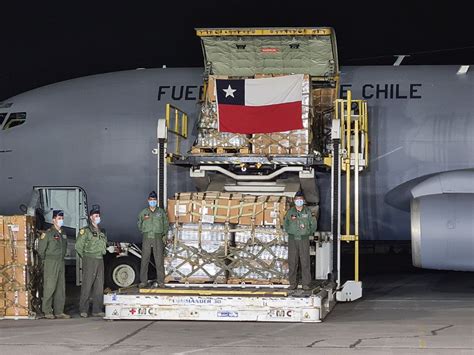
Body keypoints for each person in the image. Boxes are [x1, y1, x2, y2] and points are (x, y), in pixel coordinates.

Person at [75, 205, 107, 318]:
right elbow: (78, 246)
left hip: (99, 259)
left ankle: (97, 309)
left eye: (98, 215)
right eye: (95, 215)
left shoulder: (102, 231)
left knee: (99, 285)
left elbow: (103, 245)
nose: (97, 217)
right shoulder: (86, 231)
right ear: (90, 217)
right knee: (87, 284)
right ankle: (83, 309)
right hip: (90, 259)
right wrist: (85, 257)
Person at [38, 210, 70, 319]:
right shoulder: (47, 233)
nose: (61, 220)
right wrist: (46, 261)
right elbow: (41, 250)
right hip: (51, 262)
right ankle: (47, 311)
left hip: (61, 261)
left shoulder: (63, 233)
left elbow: (65, 247)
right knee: (49, 286)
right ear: (53, 220)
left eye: (62, 218)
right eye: (59, 218)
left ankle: (59, 311)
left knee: (60, 287)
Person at [283, 191, 317, 291]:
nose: (299, 201)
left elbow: (313, 225)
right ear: (294, 201)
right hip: (292, 239)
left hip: (303, 239)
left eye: (300, 200)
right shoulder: (290, 212)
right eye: (297, 200)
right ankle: (293, 283)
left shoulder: (308, 212)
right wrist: (290, 232)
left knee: (305, 262)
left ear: (303, 201)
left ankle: (306, 284)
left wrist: (307, 233)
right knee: (292, 262)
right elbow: (286, 224)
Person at [137, 191, 169, 287]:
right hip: (147, 238)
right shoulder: (144, 212)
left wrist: (162, 235)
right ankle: (143, 281)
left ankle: (161, 281)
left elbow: (165, 225)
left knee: (159, 260)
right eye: (151, 200)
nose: (152, 201)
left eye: (154, 200)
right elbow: (139, 224)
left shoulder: (161, 212)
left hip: (157, 238)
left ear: (156, 201)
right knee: (144, 260)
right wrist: (145, 231)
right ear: (148, 200)